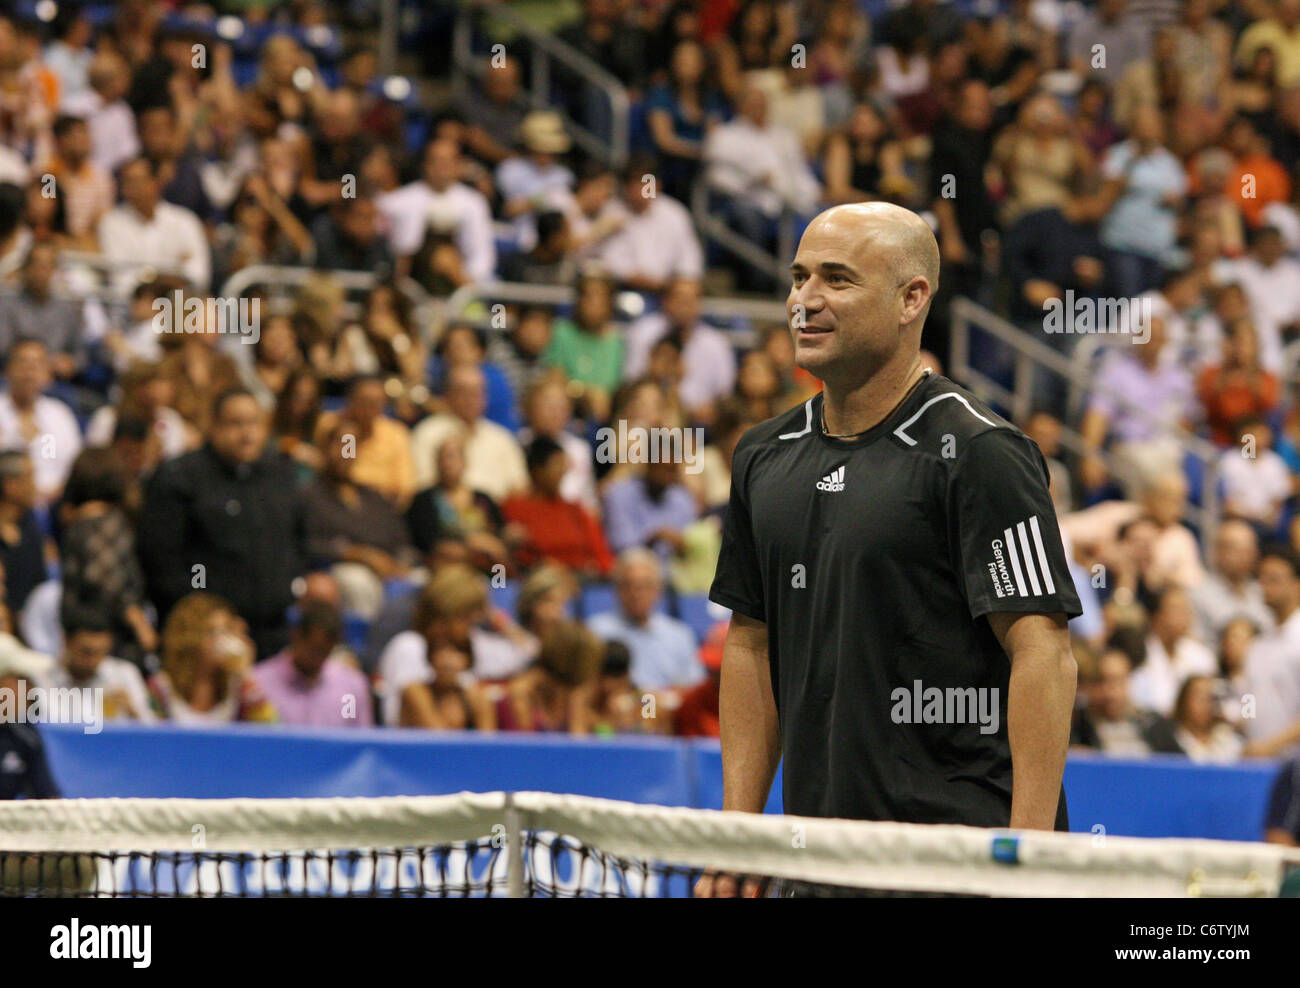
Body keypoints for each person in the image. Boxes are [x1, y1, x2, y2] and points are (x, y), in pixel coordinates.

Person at [699, 203, 1081, 897]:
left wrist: (1027, 857)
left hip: (956, 866)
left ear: (913, 299)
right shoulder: (760, 454)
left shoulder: (980, 453)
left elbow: (1043, 652)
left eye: (836, 280)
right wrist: (740, 834)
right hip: (817, 861)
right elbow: (751, 642)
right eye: (798, 277)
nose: (804, 301)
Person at [138, 387, 306, 659]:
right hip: (203, 635)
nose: (247, 434)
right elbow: (161, 559)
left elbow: (298, 541)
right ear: (213, 426)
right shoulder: (181, 477)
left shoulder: (280, 476)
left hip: (272, 630)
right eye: (235, 424)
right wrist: (205, 613)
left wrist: (288, 589)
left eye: (254, 423)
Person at [147, 592, 277, 723]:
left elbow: (270, 729)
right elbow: (149, 735)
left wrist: (246, 673)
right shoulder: (160, 687)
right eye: (212, 632)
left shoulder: (238, 688)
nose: (222, 640)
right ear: (189, 638)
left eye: (226, 631)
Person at [587, 548, 703, 692]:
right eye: (629, 585)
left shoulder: (679, 634)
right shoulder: (596, 633)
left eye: (645, 586)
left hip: (666, 710)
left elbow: (694, 685)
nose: (637, 593)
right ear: (617, 589)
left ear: (658, 590)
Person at [252, 600, 372, 728]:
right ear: (296, 636)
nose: (319, 659)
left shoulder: (351, 689)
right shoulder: (258, 683)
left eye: (326, 652)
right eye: (314, 649)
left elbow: (357, 740)